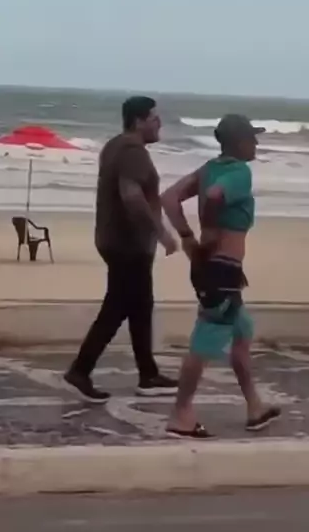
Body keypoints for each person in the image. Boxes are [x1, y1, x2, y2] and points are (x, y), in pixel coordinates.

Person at [161, 114, 281, 438]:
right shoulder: (240, 172)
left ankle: (255, 407)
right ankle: (181, 415)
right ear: (239, 142)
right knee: (205, 340)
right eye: (252, 138)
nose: (256, 143)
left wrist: (188, 237)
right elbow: (215, 196)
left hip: (216, 269)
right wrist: (211, 231)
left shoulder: (208, 169)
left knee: (242, 333)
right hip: (221, 270)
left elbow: (168, 197)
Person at [64, 96, 178, 402]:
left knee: (140, 306)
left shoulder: (114, 146)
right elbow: (131, 196)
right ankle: (80, 370)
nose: (159, 123)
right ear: (139, 121)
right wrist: (161, 232)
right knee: (118, 307)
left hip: (115, 240)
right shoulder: (132, 151)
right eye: (154, 118)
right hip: (129, 244)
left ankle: (148, 374)